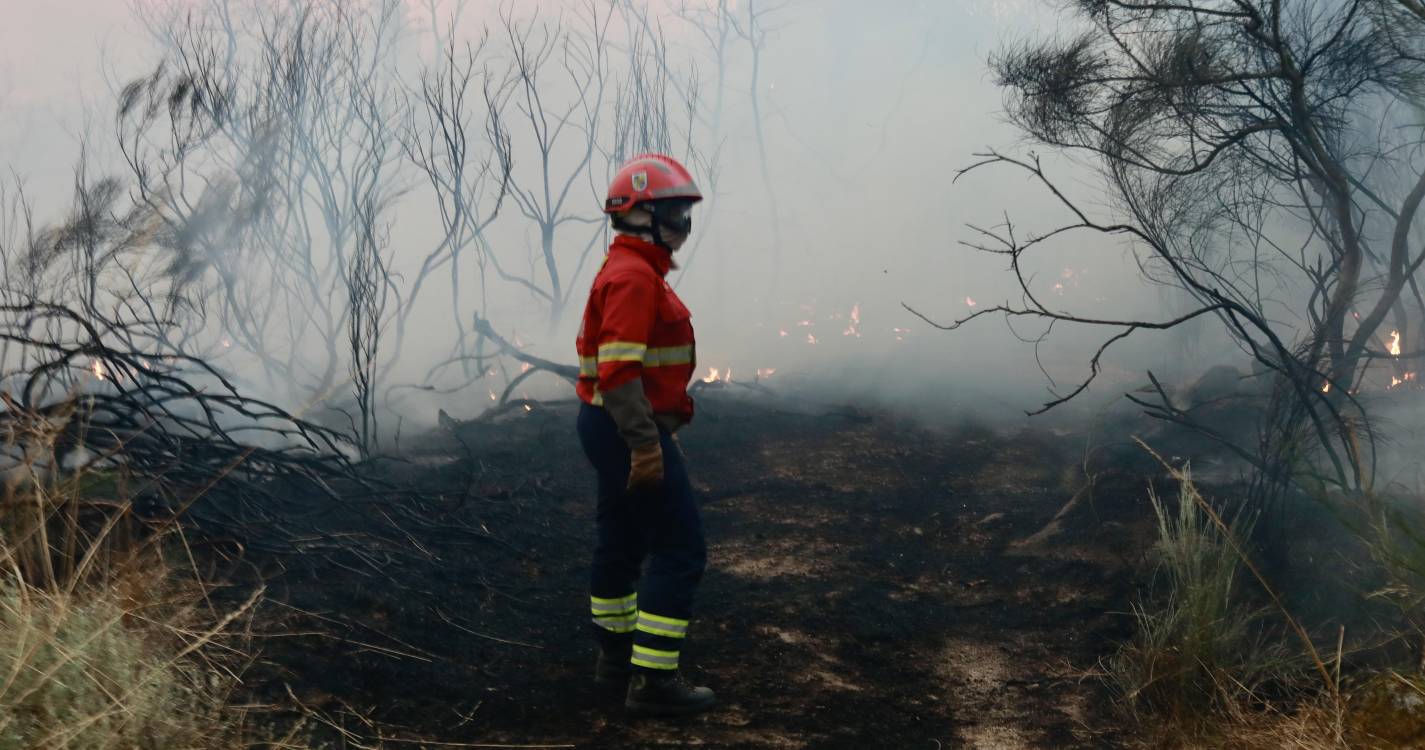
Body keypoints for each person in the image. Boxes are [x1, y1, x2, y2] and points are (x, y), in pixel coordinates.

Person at [574, 153, 716, 717]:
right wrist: (645, 445)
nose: (684, 224)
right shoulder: (634, 277)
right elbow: (619, 373)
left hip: (610, 425)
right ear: (642, 216)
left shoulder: (633, 270)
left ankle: (615, 660)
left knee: (624, 543)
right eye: (676, 211)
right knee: (680, 550)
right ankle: (654, 683)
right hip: (622, 426)